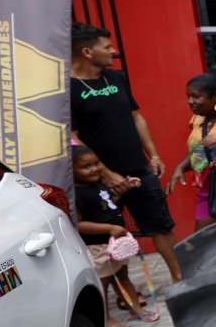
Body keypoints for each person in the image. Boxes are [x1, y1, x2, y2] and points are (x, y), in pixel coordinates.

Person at [69, 23, 183, 282]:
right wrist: (105, 173)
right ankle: (126, 292)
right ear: (87, 52)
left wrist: (153, 155)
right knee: (108, 234)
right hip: (98, 179)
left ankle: (179, 278)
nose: (113, 51)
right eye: (107, 47)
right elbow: (72, 137)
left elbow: (136, 117)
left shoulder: (116, 77)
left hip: (138, 168)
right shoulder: (68, 89)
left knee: (162, 224)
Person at [73, 144, 157, 327]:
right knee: (102, 283)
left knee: (122, 275)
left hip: (115, 244)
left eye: (96, 163)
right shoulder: (76, 195)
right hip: (98, 246)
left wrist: (124, 189)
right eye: (86, 166)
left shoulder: (97, 185)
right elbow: (79, 224)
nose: (94, 169)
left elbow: (107, 204)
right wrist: (110, 228)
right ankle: (105, 320)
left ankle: (135, 308)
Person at [165, 75, 216, 233]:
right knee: (206, 239)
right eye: (188, 96)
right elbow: (201, 148)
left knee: (205, 239)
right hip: (210, 188)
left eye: (196, 96)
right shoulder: (199, 118)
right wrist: (181, 167)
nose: (190, 101)